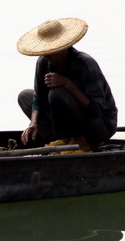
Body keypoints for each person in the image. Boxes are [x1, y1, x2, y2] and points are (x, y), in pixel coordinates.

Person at [16, 17, 117, 151]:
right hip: (64, 126)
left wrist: (68, 84)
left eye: (51, 52)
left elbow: (96, 110)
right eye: (45, 52)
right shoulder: (43, 62)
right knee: (25, 96)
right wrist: (33, 123)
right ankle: (63, 139)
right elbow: (38, 98)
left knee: (56, 93)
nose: (46, 56)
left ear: (63, 48)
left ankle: (82, 142)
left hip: (97, 126)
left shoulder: (85, 64)